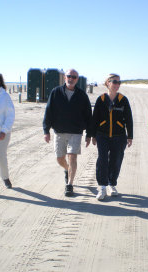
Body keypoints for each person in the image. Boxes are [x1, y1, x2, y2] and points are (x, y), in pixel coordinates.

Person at [43, 69, 92, 197]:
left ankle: (69, 185)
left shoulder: (82, 95)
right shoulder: (56, 92)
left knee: (72, 157)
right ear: (65, 77)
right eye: (69, 76)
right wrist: (46, 130)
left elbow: (88, 116)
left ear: (77, 79)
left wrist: (89, 134)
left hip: (75, 132)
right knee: (60, 158)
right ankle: (67, 169)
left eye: (74, 77)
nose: (71, 79)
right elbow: (48, 111)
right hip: (59, 131)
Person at [91, 74, 133, 200]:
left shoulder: (123, 100)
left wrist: (130, 136)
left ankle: (112, 184)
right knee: (103, 160)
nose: (116, 85)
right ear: (108, 83)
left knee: (116, 160)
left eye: (119, 82)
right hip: (102, 135)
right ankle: (102, 187)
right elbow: (95, 119)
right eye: (114, 82)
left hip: (119, 136)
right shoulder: (101, 99)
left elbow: (129, 119)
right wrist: (92, 135)